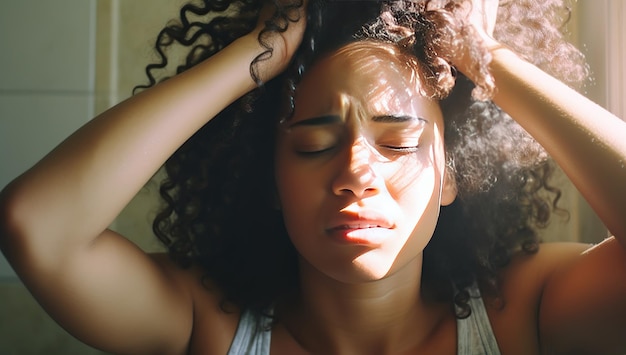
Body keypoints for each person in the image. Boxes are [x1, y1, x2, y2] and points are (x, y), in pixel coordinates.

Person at [1, 0, 625, 354]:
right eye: (313, 145)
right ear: (268, 179)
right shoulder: (208, 323)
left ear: (451, 174)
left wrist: (486, 62)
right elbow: (35, 225)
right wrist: (255, 56)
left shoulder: (522, 312)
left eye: (399, 142)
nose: (356, 173)